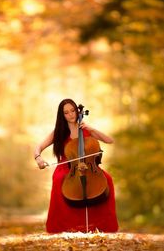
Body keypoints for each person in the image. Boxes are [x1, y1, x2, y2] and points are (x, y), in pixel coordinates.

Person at [33, 98, 118, 233]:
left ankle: (102, 225)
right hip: (66, 167)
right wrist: (38, 158)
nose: (71, 114)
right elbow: (38, 147)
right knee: (59, 180)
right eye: (66, 113)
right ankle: (64, 226)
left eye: (72, 110)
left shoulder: (85, 130)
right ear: (62, 115)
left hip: (89, 167)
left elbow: (109, 140)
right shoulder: (59, 132)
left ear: (77, 111)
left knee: (107, 179)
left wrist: (91, 128)